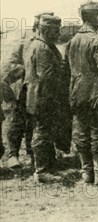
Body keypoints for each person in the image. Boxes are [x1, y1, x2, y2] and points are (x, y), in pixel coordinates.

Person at [65, 1, 98, 185]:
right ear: (96, 17)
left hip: (77, 94)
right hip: (95, 95)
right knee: (97, 134)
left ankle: (86, 173)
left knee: (81, 134)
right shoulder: (97, 40)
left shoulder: (73, 40)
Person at [3, 11, 53, 169]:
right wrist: (27, 70)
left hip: (38, 90)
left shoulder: (47, 44)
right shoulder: (23, 43)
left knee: (35, 123)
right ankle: (13, 155)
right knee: (16, 122)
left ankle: (34, 155)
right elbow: (8, 65)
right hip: (21, 88)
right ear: (36, 25)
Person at [24, 14, 71, 183]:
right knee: (42, 132)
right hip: (43, 96)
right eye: (55, 30)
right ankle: (42, 171)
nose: (58, 33)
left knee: (45, 131)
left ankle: (49, 164)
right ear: (46, 29)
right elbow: (47, 77)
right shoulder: (42, 48)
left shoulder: (38, 44)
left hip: (40, 95)